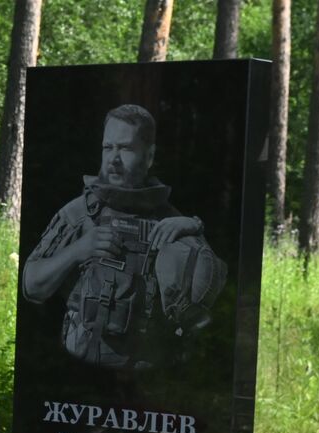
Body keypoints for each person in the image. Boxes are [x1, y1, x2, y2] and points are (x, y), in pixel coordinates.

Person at [20, 103, 226, 370]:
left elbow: (204, 312)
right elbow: (31, 286)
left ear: (149, 156)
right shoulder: (81, 213)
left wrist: (194, 232)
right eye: (108, 148)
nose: (113, 159)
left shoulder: (172, 223)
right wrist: (78, 250)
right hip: (80, 371)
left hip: (148, 380)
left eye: (126, 148)